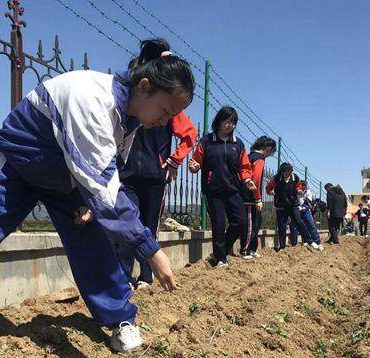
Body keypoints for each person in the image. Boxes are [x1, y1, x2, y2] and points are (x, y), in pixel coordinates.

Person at [0, 38, 195, 358]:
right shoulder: (92, 97)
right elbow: (106, 189)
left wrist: (88, 205)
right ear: (145, 86)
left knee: (93, 246)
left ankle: (120, 319)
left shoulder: (130, 119)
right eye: (165, 111)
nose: (166, 122)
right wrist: (150, 250)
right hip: (18, 165)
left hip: (65, 178)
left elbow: (107, 172)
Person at [116, 46, 198, 289]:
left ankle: (146, 276)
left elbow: (189, 134)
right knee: (126, 222)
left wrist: (173, 161)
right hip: (127, 172)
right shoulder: (130, 102)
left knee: (149, 225)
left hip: (154, 174)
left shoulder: (167, 105)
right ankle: (123, 276)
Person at [188, 106, 257, 267]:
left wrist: (247, 180)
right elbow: (196, 161)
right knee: (218, 224)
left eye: (233, 122)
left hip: (233, 189)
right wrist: (194, 166)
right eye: (227, 121)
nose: (230, 125)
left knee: (240, 222)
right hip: (213, 190)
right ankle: (220, 259)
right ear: (219, 121)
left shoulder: (237, 144)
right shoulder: (207, 141)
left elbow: (244, 167)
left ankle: (221, 251)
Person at [266, 163, 318, 251]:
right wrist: (271, 193)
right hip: (281, 205)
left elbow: (298, 187)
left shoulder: (295, 178)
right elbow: (268, 188)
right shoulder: (276, 178)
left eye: (290, 172)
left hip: (292, 204)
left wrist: (299, 191)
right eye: (287, 172)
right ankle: (282, 246)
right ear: (282, 172)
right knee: (282, 226)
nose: (289, 174)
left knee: (299, 222)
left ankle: (310, 242)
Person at [240, 136, 276, 258]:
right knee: (251, 224)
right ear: (269, 149)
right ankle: (245, 251)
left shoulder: (250, 156)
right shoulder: (259, 159)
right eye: (271, 153)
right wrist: (258, 198)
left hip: (245, 194)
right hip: (249, 197)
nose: (270, 155)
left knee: (256, 222)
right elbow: (255, 179)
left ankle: (252, 249)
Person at [291, 180, 324, 251]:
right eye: (301, 186)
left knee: (311, 225)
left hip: (306, 211)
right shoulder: (295, 190)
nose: (303, 188)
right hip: (296, 209)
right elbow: (293, 200)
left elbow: (309, 203)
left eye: (304, 186)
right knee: (294, 226)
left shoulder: (308, 192)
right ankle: (293, 244)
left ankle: (318, 242)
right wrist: (297, 207)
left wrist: (304, 207)